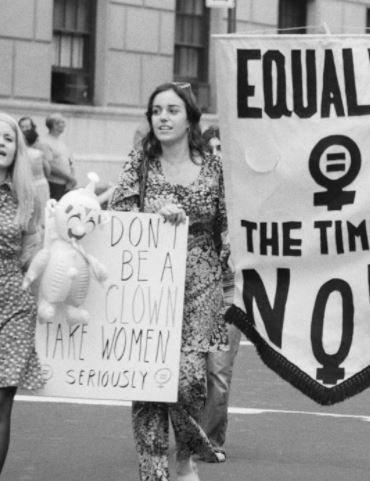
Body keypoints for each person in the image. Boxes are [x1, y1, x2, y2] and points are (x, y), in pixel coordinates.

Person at [109, 82, 229, 481]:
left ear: (191, 118)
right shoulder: (138, 164)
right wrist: (153, 216)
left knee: (188, 381)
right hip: (148, 285)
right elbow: (117, 218)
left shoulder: (213, 167)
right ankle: (153, 474)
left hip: (200, 286)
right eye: (156, 110)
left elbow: (230, 228)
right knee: (146, 383)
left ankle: (185, 456)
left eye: (172, 110)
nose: (162, 117)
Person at [0, 112, 43, 475]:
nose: (1, 142)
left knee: (1, 403)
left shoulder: (27, 197)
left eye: (8, 138)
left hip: (14, 305)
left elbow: (32, 253)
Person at [197, 124, 241, 464]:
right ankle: (191, 432)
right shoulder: (195, 192)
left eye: (221, 148)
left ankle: (210, 440)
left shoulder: (246, 196)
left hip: (232, 291)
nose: (216, 155)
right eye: (210, 149)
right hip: (195, 290)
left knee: (219, 372)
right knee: (192, 371)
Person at [42, 113, 77, 200]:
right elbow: (50, 166)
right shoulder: (45, 142)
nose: (64, 125)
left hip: (65, 184)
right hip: (54, 185)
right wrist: (69, 178)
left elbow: (69, 161)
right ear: (54, 125)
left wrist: (71, 178)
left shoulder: (60, 141)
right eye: (62, 122)